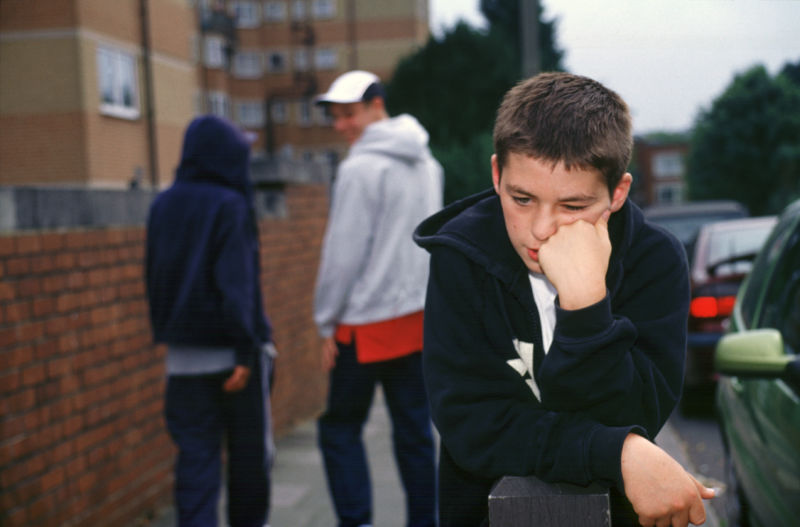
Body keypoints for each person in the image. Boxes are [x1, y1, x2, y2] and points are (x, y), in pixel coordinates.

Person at [413, 72, 716, 527]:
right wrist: (616, 452)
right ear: (497, 174)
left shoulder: (654, 261)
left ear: (617, 193)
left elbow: (637, 413)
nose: (540, 229)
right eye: (522, 198)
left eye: (573, 207)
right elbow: (471, 426)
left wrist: (586, 305)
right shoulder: (461, 257)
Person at [312, 70, 443, 527]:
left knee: (339, 429)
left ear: (376, 106)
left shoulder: (359, 168)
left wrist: (326, 323)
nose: (341, 125)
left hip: (364, 324)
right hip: (414, 318)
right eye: (336, 116)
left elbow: (342, 255)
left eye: (349, 114)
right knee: (414, 434)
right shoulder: (428, 162)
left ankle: (357, 521)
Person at [145, 115, 276, 527]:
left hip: (182, 362)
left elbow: (154, 276)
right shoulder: (230, 205)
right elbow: (235, 283)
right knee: (249, 467)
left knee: (196, 469)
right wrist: (244, 349)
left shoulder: (162, 204)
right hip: (233, 362)